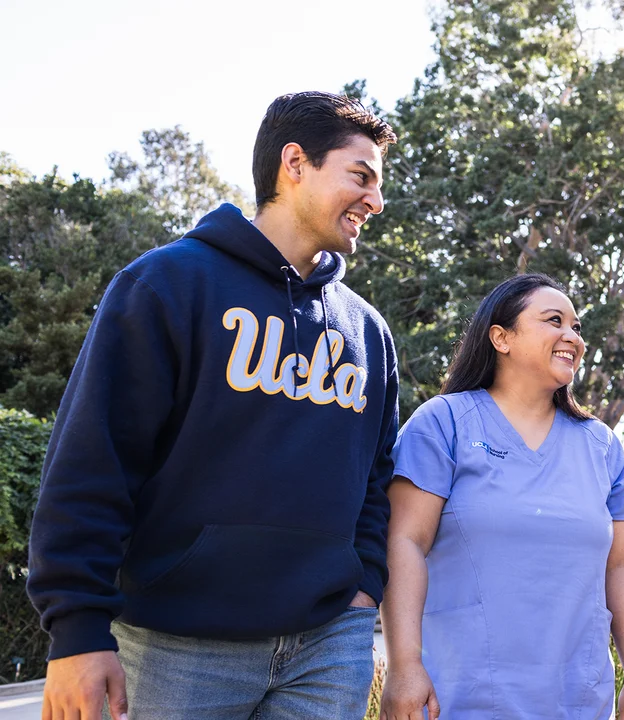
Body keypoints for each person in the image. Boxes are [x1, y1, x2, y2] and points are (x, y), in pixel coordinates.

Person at [27, 91, 400, 720]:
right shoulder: (166, 285)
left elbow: (376, 479)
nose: (376, 200)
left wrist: (363, 588)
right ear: (294, 163)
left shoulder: (367, 331)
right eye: (360, 176)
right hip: (176, 645)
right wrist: (77, 629)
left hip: (327, 645)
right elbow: (95, 460)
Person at [379, 273, 624, 720]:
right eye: (554, 321)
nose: (572, 337)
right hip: (461, 698)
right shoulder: (443, 424)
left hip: (579, 702)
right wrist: (404, 667)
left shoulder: (601, 446)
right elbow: (404, 542)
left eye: (577, 327)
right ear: (501, 337)